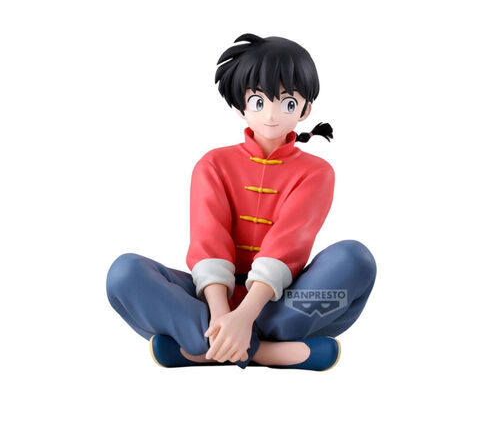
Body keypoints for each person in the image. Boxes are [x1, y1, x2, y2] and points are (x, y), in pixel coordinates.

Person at [106, 33, 377, 371]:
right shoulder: (213, 164)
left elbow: (289, 244)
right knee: (124, 274)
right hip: (207, 302)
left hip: (283, 304)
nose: (272, 115)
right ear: (240, 107)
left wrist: (245, 316)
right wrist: (223, 314)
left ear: (306, 109)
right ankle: (266, 351)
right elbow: (208, 240)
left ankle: (203, 348)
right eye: (259, 102)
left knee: (355, 260)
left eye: (288, 103)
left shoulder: (317, 172)